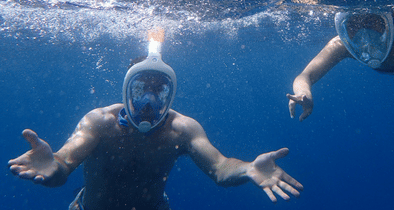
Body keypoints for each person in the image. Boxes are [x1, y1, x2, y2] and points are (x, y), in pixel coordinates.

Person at [8, 30, 303, 210]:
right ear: (126, 90)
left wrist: (248, 168)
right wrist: (52, 166)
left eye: (158, 91)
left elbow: (220, 167)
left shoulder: (181, 130)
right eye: (140, 90)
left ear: (170, 94)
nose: (148, 102)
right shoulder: (100, 123)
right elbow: (63, 165)